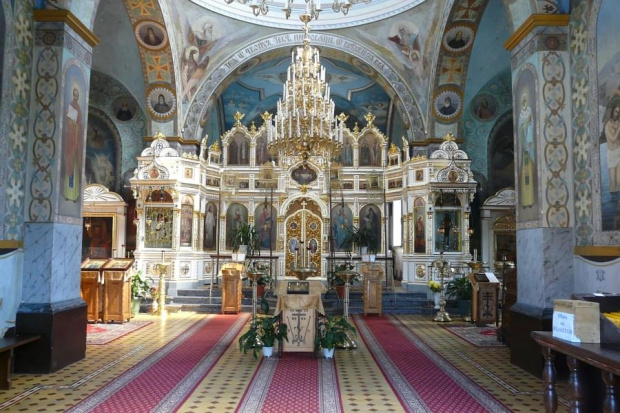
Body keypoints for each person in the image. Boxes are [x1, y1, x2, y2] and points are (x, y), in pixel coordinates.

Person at [64, 87, 83, 202]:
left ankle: (74, 194)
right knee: (69, 165)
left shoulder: (79, 108)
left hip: (76, 141)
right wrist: (73, 124)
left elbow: (80, 123)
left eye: (77, 96)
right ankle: (68, 193)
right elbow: (68, 121)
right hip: (71, 140)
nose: (76, 97)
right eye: (74, 95)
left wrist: (77, 126)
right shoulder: (70, 106)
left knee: (75, 167)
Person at [519, 92, 535, 207]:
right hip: (524, 145)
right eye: (523, 98)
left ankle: (529, 201)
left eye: (525, 98)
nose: (524, 100)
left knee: (529, 172)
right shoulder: (521, 112)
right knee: (525, 176)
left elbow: (531, 123)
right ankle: (525, 201)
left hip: (528, 146)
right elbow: (521, 124)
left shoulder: (529, 110)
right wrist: (523, 126)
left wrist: (527, 126)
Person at [602, 100, 620, 192]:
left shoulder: (617, 123)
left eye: (619, 112)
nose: (617, 114)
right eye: (616, 111)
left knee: (619, 182)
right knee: (613, 183)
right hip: (612, 155)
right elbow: (612, 139)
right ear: (613, 111)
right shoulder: (607, 125)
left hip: (618, 152)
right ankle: (613, 202)